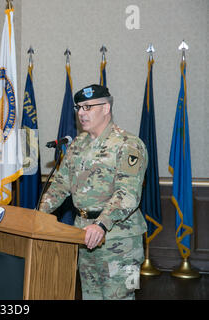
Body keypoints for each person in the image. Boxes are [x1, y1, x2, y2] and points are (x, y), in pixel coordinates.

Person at [39, 84, 148, 300]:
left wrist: (101, 224)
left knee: (121, 297)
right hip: (83, 236)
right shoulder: (78, 144)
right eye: (79, 107)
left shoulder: (128, 144)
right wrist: (38, 215)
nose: (81, 113)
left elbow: (127, 193)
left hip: (120, 240)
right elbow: (61, 184)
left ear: (106, 108)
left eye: (88, 107)